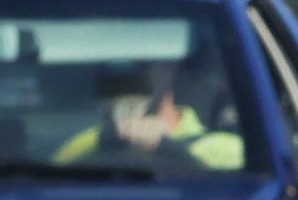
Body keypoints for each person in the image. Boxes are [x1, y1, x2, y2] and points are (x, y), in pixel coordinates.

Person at [53, 63, 244, 170]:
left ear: (167, 71)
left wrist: (172, 151)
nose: (123, 81)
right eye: (111, 69)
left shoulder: (230, 152)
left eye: (139, 66)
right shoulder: (83, 145)